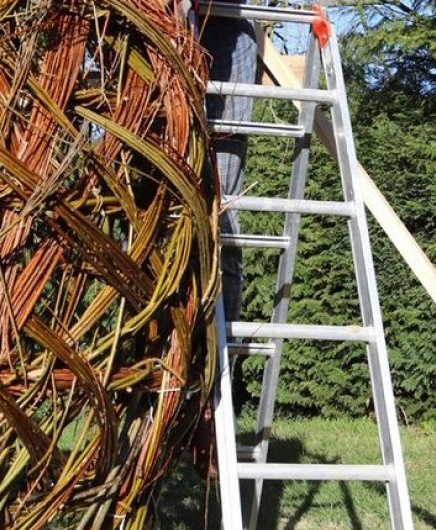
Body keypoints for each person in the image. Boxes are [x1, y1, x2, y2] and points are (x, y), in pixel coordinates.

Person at [188, 1, 257, 478]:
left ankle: (213, 404)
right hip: (169, 31)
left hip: (231, 35)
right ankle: (175, 390)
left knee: (222, 226)